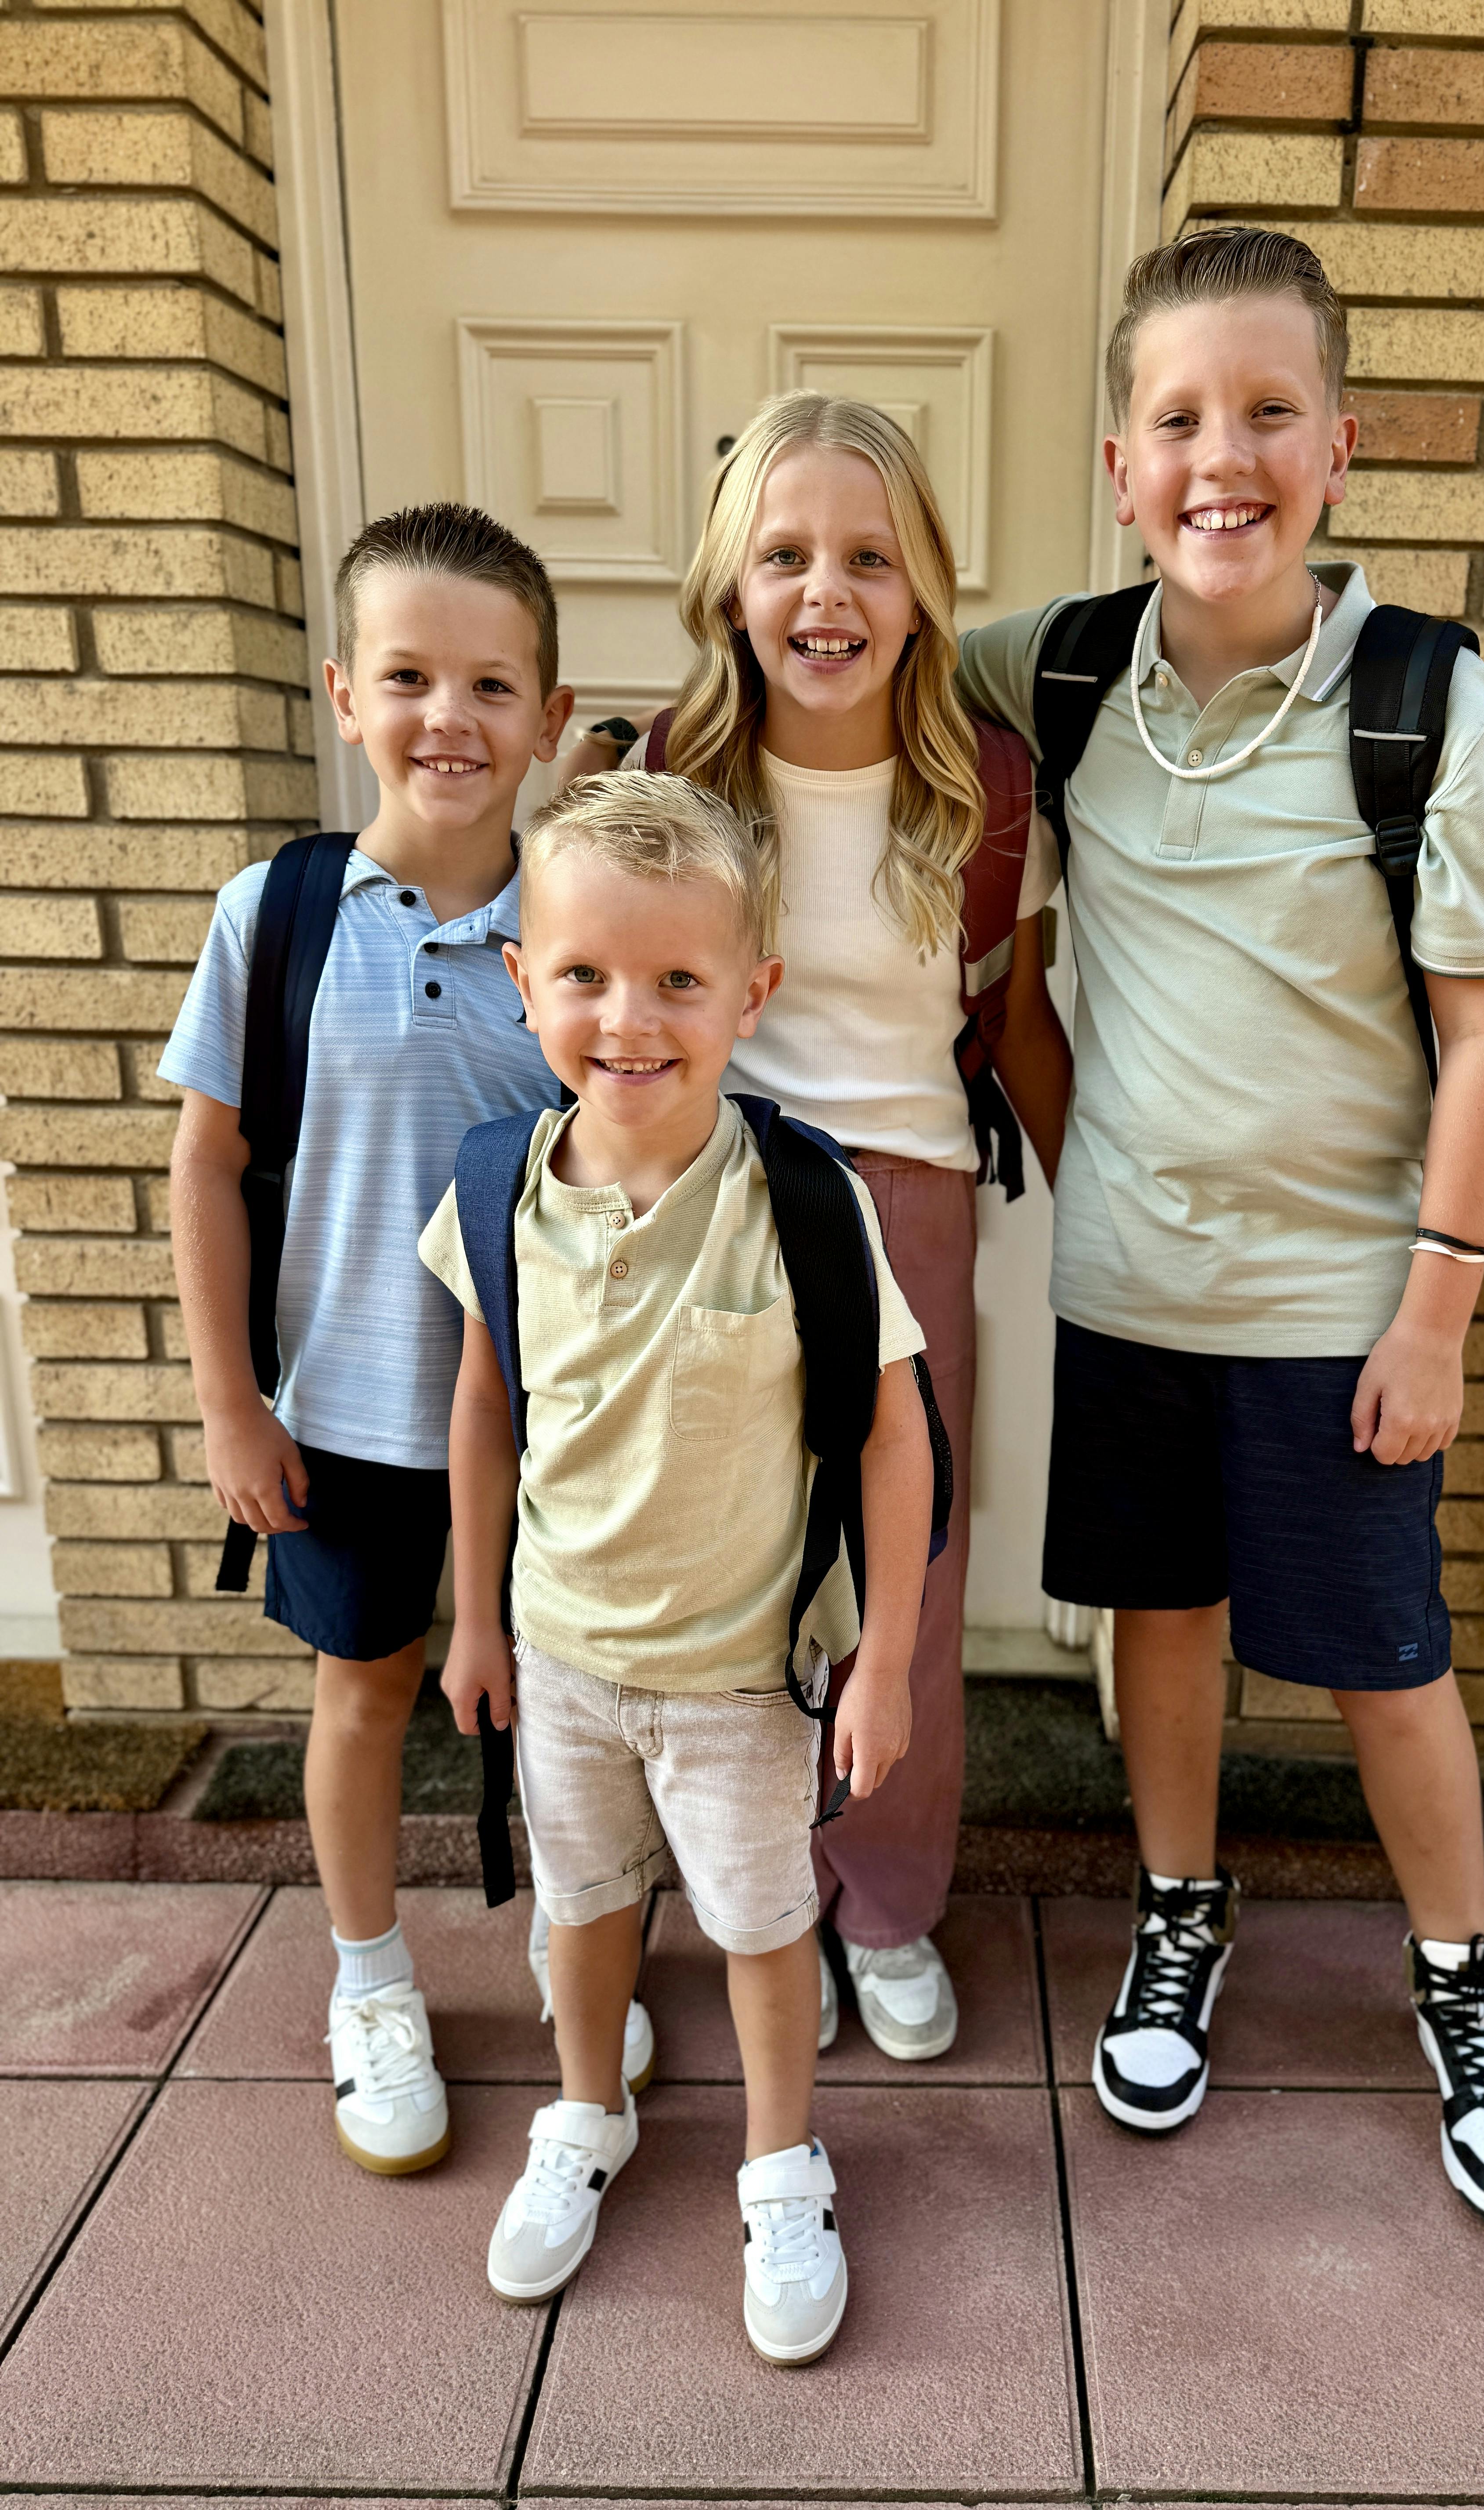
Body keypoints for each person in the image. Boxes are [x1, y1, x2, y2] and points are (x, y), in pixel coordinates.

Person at [954, 227, 1484, 2224]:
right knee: (1168, 1629)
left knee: (1387, 1660)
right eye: (1181, 420)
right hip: (1135, 1288)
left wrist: (1439, 1312)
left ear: (1339, 445)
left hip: (1342, 1302)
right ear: (1120, 465)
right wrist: (629, 761)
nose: (1227, 458)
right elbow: (831, 654)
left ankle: (1464, 1980)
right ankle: (1181, 1911)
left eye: (1271, 413)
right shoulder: (1054, 671)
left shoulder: (1434, 706)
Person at [560, 394, 1070, 2061]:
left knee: (900, 1578)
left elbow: (1025, 1026)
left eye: (868, 556)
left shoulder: (982, 793)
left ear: (925, 585)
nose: (824, 593)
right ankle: (683, 1893)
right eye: (783, 555)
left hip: (906, 1212)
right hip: (708, 1199)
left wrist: (1109, 1225)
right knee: (691, 1564)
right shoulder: (669, 775)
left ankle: (887, 1901)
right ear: (727, 582)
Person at [163, 503, 649, 2175]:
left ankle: (571, 1944)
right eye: (411, 676)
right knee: (366, 1687)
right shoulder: (279, 914)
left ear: (548, 710)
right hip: (351, 1407)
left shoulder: (579, 926)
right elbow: (209, 1165)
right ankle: (370, 1982)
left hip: (555, 1416)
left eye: (493, 685)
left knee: (566, 1700)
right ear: (342, 695)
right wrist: (233, 1403)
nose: (453, 716)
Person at [422, 772, 933, 2358]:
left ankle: (783, 2164)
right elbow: (487, 1411)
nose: (626, 1018)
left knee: (764, 1930)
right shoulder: (500, 1189)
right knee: (579, 1914)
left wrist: (893, 1657)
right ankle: (586, 2116)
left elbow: (893, 1441)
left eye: (678, 981)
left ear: (751, 994)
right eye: (582, 974)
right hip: (564, 1661)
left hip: (739, 1679)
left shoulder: (803, 1203)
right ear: (524, 978)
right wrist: (476, 1620)